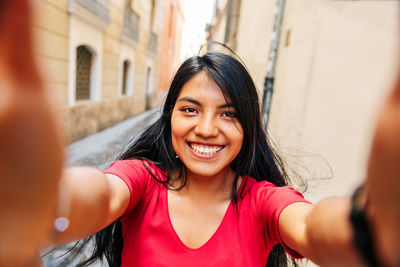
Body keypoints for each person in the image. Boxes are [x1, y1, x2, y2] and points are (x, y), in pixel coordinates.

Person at [0, 0, 399, 266]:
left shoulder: (262, 203)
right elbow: (100, 195)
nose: (206, 130)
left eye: (228, 115)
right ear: (169, 115)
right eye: (190, 110)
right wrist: (46, 202)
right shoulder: (142, 182)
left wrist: (370, 227)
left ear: (248, 127)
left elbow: (312, 228)